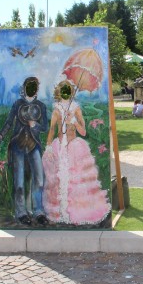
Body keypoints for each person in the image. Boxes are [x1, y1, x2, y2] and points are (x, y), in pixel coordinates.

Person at [42, 80, 110, 225]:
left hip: (74, 147)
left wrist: (73, 120)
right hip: (59, 147)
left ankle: (77, 212)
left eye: (68, 90)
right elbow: (52, 130)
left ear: (71, 92)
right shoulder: (56, 109)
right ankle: (60, 212)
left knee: (77, 180)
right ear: (59, 92)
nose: (66, 93)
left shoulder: (76, 108)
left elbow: (83, 132)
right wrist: (48, 147)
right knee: (57, 180)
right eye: (63, 90)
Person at [0, 76, 48, 227]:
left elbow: (45, 127)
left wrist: (35, 125)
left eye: (34, 86)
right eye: (29, 86)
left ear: (37, 89)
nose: (31, 89)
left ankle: (38, 212)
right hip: (18, 145)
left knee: (39, 179)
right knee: (19, 182)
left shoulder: (41, 106)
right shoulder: (17, 104)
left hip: (34, 145)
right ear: (24, 88)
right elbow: (9, 123)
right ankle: (21, 213)